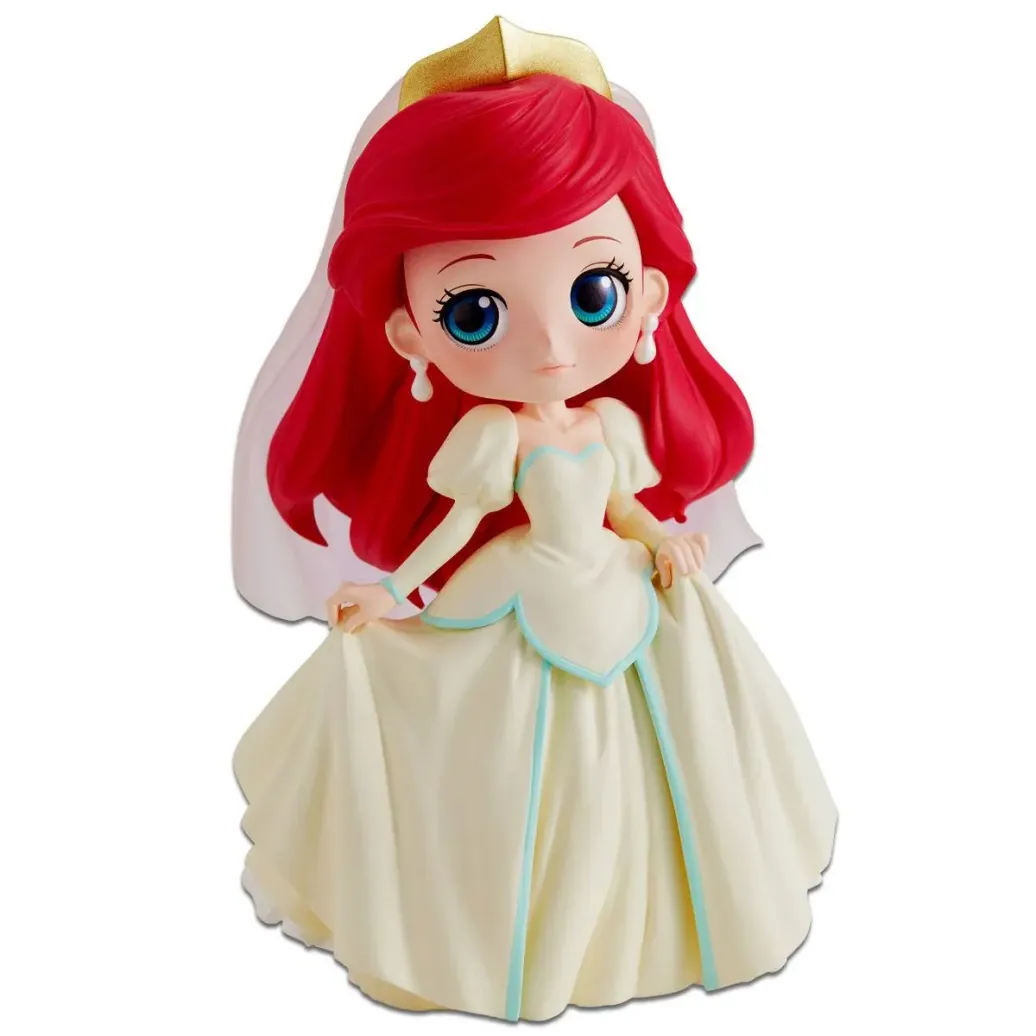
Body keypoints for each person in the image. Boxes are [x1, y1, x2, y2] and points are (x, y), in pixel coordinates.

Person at [231, 17, 837, 1023]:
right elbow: (452, 524)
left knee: (650, 757)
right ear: (408, 335)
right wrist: (389, 593)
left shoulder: (605, 424)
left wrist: (662, 537)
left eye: (593, 292)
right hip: (513, 594)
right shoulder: (491, 439)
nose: (553, 344)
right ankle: (494, 922)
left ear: (646, 295)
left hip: (614, 589)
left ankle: (638, 919)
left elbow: (625, 505)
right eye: (475, 312)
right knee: (507, 762)